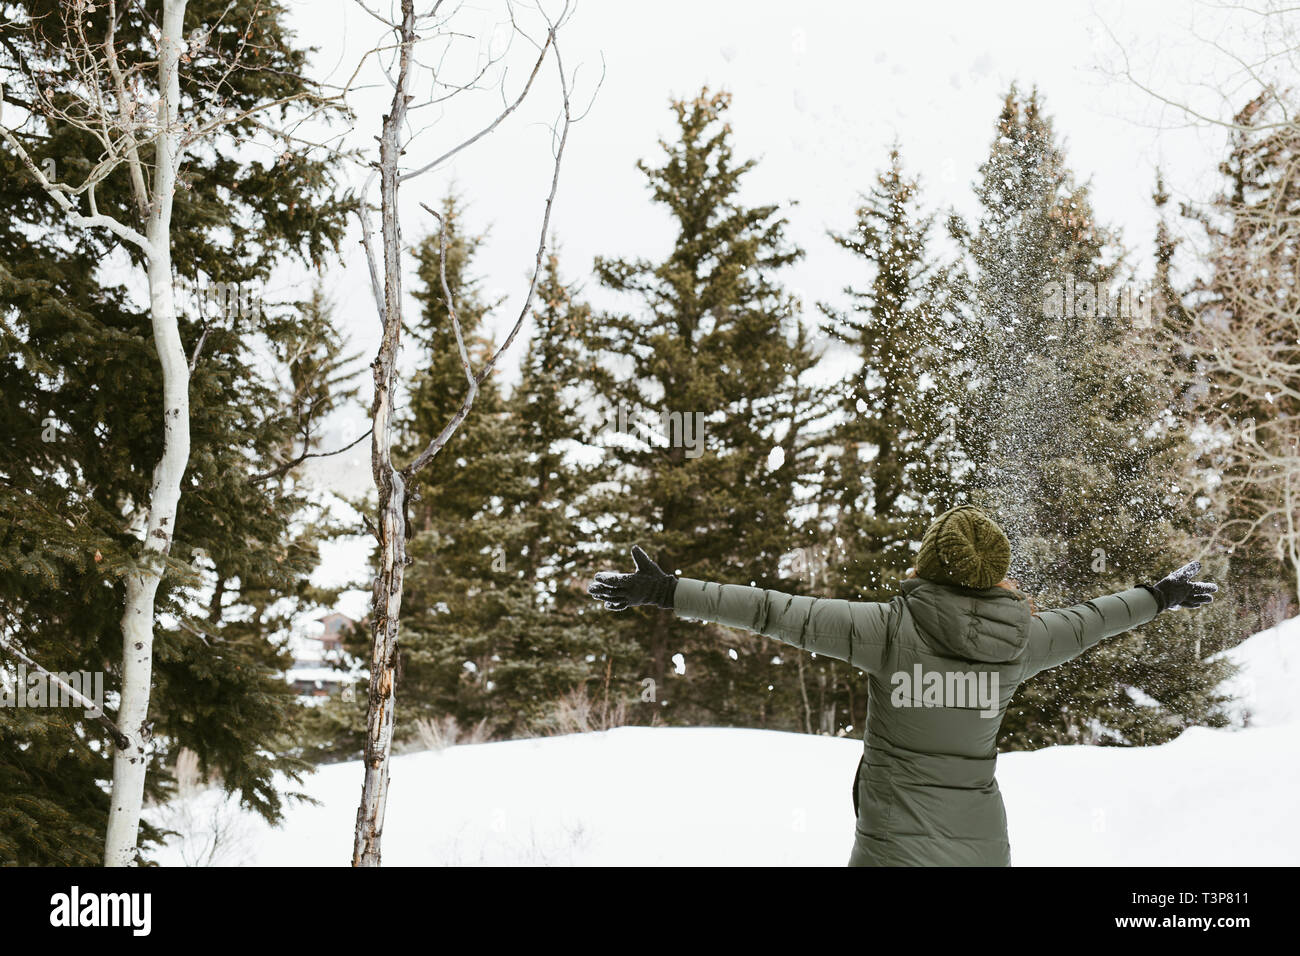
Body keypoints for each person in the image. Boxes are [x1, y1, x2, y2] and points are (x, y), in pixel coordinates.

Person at [586, 504, 1218, 866]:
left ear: (932, 563)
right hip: (983, 852)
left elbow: (771, 610)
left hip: (893, 853)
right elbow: (1094, 621)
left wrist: (668, 591)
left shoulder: (886, 630)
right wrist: (1161, 595)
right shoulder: (1025, 638)